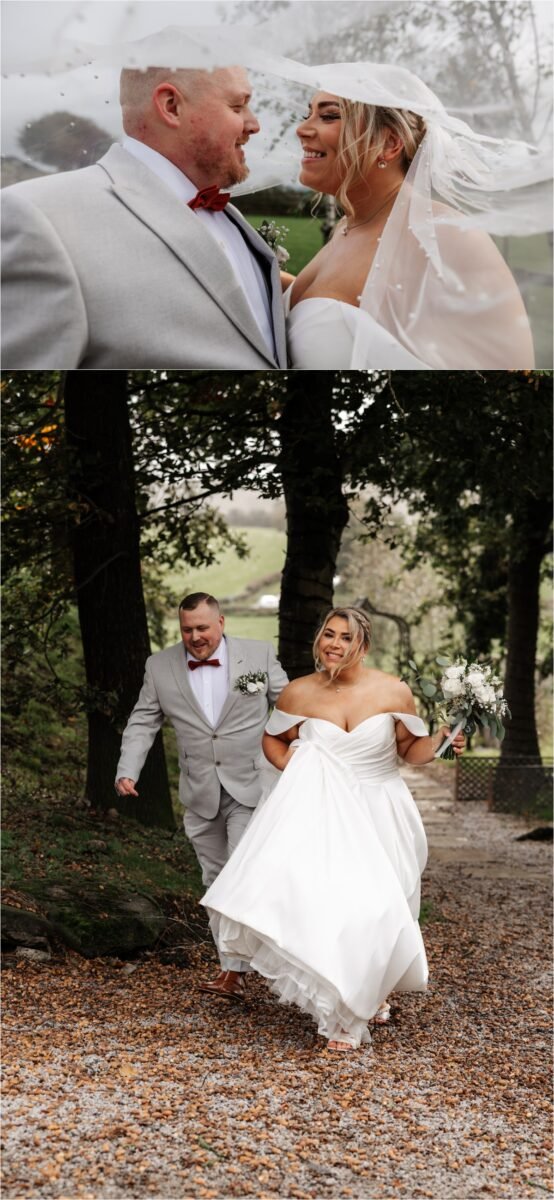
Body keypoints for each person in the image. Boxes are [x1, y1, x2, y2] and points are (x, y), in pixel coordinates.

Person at [202, 606, 465, 1051]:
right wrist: (302, 772)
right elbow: (273, 738)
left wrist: (440, 741)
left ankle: (373, 989)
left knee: (381, 906)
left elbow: (408, 750)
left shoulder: (393, 690)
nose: (334, 644)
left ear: (363, 645)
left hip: (379, 808)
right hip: (322, 813)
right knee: (335, 906)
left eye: (345, 637)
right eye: (328, 634)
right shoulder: (299, 693)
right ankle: (343, 1014)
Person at [1, 65, 287, 369]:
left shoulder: (231, 218)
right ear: (171, 106)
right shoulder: (38, 215)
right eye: (237, 106)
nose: (254, 124)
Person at [281, 83, 537, 370]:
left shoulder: (446, 234)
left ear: (389, 144)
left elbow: (514, 369)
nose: (302, 129)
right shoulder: (348, 225)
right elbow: (343, 304)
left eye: (329, 116)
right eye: (308, 115)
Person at [115, 592, 288, 999]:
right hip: (199, 792)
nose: (195, 637)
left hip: (250, 786)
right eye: (187, 629)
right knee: (214, 881)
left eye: (202, 628)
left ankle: (277, 962)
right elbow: (143, 720)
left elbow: (292, 706)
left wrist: (312, 749)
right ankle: (233, 970)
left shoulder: (258, 655)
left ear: (221, 623)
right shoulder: (159, 667)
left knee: (244, 875)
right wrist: (127, 770)